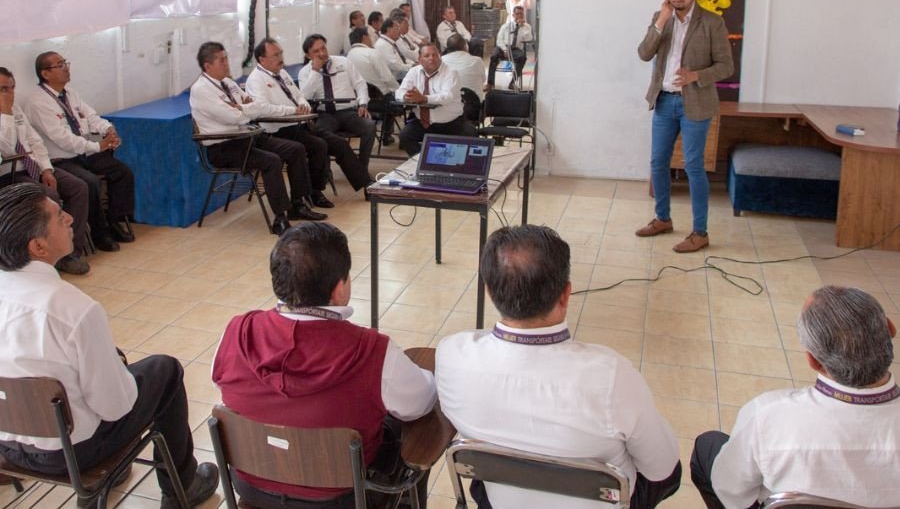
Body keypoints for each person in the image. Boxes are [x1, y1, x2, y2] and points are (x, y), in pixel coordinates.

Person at [0, 183, 218, 508]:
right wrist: (118, 370)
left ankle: (115, 475)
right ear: (38, 246)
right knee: (164, 370)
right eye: (60, 218)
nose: (72, 218)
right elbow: (115, 407)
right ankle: (180, 488)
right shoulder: (73, 309)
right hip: (71, 453)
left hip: (7, 446)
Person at [437, 225, 682, 509]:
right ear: (565, 295)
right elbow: (661, 468)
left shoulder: (451, 356)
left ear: (488, 292)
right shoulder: (611, 376)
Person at [212, 222, 437, 508]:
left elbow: (222, 387)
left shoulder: (236, 333)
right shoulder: (373, 352)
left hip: (254, 490)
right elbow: (422, 403)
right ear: (339, 289)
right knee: (412, 424)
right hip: (343, 497)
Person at [691, 286, 900, 508]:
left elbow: (731, 491)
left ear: (813, 360)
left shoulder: (768, 415)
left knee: (707, 446)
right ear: (890, 328)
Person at [636, 0, 733, 253]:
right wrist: (661, 21)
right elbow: (644, 54)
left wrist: (696, 76)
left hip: (696, 102)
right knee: (657, 163)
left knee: (693, 166)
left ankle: (700, 232)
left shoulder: (712, 22)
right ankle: (662, 218)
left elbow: (726, 66)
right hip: (664, 100)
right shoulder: (661, 18)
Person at [189, 42, 327, 237]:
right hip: (223, 146)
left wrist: (241, 108)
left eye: (226, 58)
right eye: (221, 60)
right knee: (271, 161)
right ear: (207, 65)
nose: (227, 63)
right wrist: (243, 110)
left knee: (295, 149)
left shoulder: (229, 83)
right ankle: (280, 218)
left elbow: (255, 107)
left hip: (248, 137)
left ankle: (298, 204)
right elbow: (234, 117)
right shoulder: (201, 90)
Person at [26, 51, 136, 252]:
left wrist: (107, 129)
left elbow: (91, 116)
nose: (66, 67)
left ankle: (115, 221)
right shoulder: (37, 102)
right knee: (90, 182)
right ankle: (99, 232)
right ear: (45, 74)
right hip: (61, 158)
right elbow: (63, 138)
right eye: (60, 65)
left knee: (122, 172)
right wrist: (98, 146)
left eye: (65, 63)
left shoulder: (70, 93)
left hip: (84, 151)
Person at [247, 37, 372, 206]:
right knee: (316, 145)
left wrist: (303, 106)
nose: (280, 58)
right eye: (275, 55)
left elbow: (299, 96)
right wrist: (294, 110)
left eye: (281, 53)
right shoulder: (256, 80)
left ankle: (364, 184)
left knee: (338, 143)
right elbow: (262, 108)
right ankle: (305, 198)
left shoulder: (281, 73)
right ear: (262, 60)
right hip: (278, 129)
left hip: (301, 123)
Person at [0, 67, 90, 274]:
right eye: (3, 89)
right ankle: (46, 255)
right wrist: (4, 113)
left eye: (12, 88)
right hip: (9, 175)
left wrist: (47, 169)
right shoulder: (7, 111)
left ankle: (70, 252)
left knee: (78, 187)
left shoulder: (16, 110)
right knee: (47, 196)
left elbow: (34, 141)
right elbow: (6, 146)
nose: (10, 94)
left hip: (32, 167)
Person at [298, 34, 376, 170]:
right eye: (316, 52)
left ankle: (362, 168)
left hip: (349, 112)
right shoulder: (305, 72)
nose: (322, 53)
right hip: (325, 114)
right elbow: (304, 97)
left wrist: (363, 104)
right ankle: (325, 172)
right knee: (319, 135)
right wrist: (315, 71)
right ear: (308, 55)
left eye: (323, 48)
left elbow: (360, 84)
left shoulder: (344, 62)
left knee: (369, 126)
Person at [394, 43, 474, 156]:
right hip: (423, 122)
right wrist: (407, 97)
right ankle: (423, 161)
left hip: (450, 122)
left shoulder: (451, 72)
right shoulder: (414, 72)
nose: (431, 58)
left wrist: (424, 99)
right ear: (419, 59)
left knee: (471, 133)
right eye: (427, 56)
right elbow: (399, 92)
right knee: (404, 136)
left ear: (440, 56)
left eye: (434, 55)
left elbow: (447, 96)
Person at [346, 28, 399, 146]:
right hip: (381, 101)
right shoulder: (372, 53)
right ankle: (386, 135)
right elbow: (387, 78)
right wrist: (399, 91)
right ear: (364, 38)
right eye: (370, 37)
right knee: (394, 100)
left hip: (358, 102)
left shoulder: (348, 56)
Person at [487, 6, 533, 91]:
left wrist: (522, 27)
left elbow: (528, 38)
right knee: (494, 56)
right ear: (513, 15)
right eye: (517, 14)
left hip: (515, 49)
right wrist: (504, 49)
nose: (519, 16)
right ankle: (490, 83)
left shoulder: (527, 27)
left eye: (521, 14)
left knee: (522, 58)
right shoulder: (506, 26)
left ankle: (512, 83)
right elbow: (499, 39)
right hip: (503, 47)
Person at [374, 17, 415, 82]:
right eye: (397, 28)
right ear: (388, 30)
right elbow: (393, 64)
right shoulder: (382, 44)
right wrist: (411, 67)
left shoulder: (389, 42)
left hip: (402, 73)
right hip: (397, 79)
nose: (400, 31)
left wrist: (413, 64)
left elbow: (403, 59)